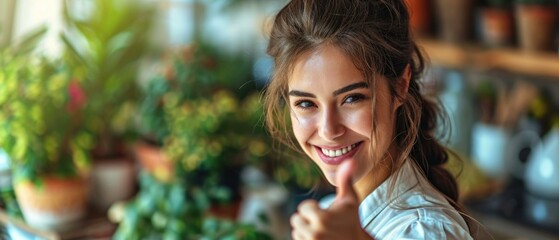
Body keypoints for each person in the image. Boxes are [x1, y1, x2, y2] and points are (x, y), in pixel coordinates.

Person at [263, 0, 476, 239]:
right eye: (306, 104)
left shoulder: (425, 230)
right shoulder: (328, 214)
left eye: (352, 98)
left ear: (401, 86)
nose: (328, 130)